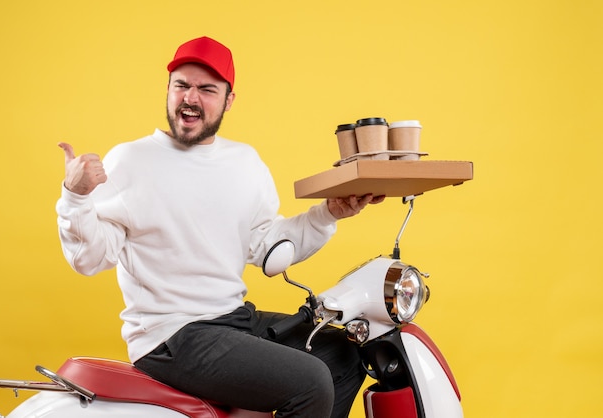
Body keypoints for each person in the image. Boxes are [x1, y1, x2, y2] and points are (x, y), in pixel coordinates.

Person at [56, 36, 384, 418]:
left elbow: (266, 247)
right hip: (172, 336)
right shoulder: (130, 161)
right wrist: (75, 197)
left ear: (229, 100)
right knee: (311, 380)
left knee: (343, 353)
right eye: (182, 85)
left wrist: (328, 213)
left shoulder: (244, 162)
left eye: (207, 89)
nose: (190, 98)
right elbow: (90, 259)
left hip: (232, 321)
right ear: (168, 91)